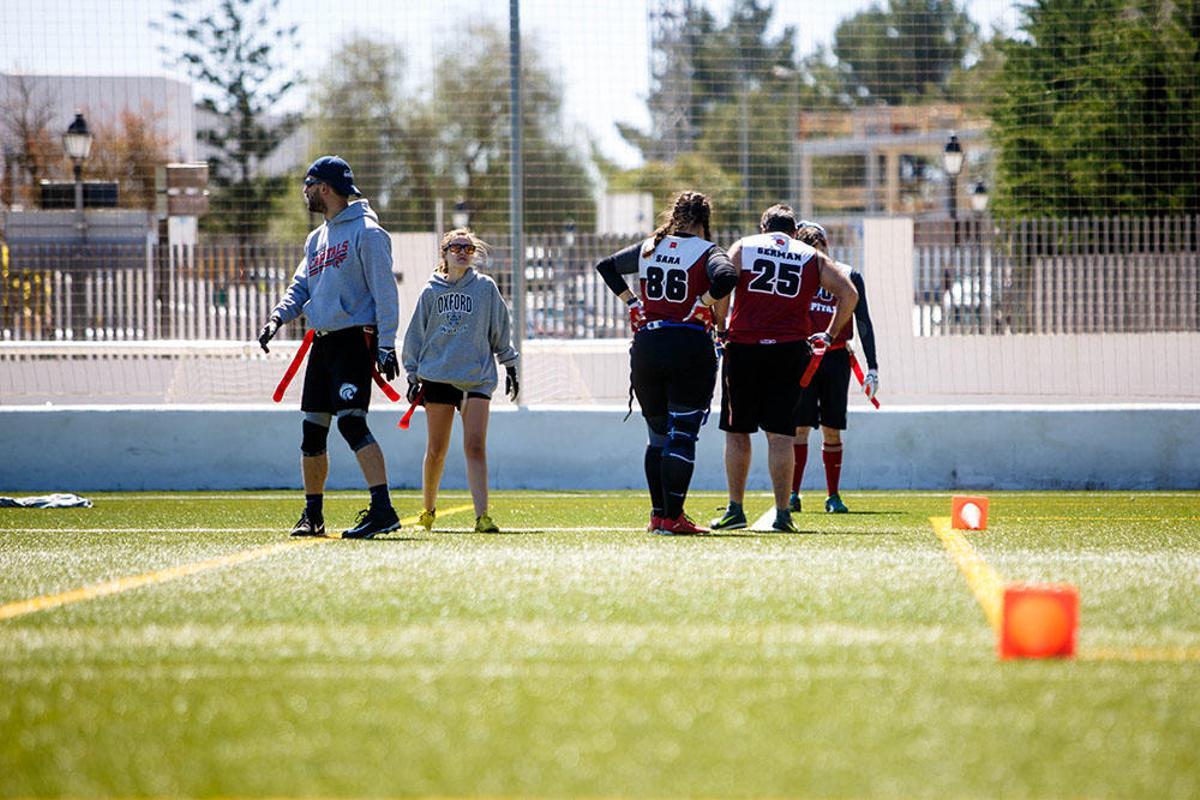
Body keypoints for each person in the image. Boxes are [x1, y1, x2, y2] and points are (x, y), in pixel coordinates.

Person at [257, 155, 401, 539]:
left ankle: (383, 510)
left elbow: (386, 293)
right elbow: (300, 287)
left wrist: (386, 345)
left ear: (323, 187)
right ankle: (313, 515)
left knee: (352, 422)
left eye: (308, 186)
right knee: (312, 431)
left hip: (354, 340)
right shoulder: (316, 238)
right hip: (322, 344)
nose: (304, 193)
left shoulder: (368, 233)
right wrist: (277, 318)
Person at [595, 191, 738, 535]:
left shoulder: (649, 247)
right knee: (682, 435)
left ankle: (659, 516)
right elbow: (728, 278)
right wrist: (703, 301)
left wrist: (632, 303)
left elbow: (606, 266)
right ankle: (674, 517)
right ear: (705, 220)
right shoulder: (708, 252)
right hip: (688, 345)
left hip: (647, 346)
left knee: (657, 438)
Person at [710, 204, 858, 532]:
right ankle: (782, 513)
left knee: (737, 431)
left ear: (764, 227)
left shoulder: (744, 246)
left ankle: (736, 509)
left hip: (744, 347)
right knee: (781, 435)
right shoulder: (810, 255)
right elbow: (849, 294)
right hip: (790, 350)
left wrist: (721, 327)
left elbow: (723, 285)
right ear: (793, 231)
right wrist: (830, 333)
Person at [401, 228, 519, 534]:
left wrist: (510, 364)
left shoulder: (485, 288)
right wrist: (412, 374)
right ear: (445, 253)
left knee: (476, 446)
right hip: (438, 377)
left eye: (468, 248)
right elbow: (416, 335)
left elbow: (500, 330)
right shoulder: (430, 291)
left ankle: (482, 517)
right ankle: (428, 510)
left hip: (476, 379)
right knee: (437, 450)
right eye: (456, 247)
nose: (463, 252)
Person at [790, 220, 880, 514]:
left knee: (832, 429)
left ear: (826, 248)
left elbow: (863, 321)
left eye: (817, 252)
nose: (814, 260)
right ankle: (792, 494)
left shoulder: (847, 275)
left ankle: (833, 495)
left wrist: (873, 367)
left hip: (835, 357)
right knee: (798, 428)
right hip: (802, 357)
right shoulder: (795, 273)